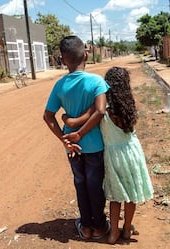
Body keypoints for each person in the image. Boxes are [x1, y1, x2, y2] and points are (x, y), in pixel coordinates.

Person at [63, 67, 154, 244]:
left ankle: (113, 233)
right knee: (131, 193)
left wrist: (66, 119)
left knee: (115, 195)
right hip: (132, 152)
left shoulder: (103, 107)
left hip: (114, 155)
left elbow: (78, 121)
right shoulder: (129, 105)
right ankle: (127, 230)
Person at [43, 35, 110, 240]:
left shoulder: (60, 85)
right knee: (95, 184)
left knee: (80, 183)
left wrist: (64, 139)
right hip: (94, 145)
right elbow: (100, 111)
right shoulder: (96, 81)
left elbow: (48, 116)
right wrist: (81, 133)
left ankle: (86, 226)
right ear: (86, 54)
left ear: (63, 60)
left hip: (72, 147)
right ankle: (99, 226)